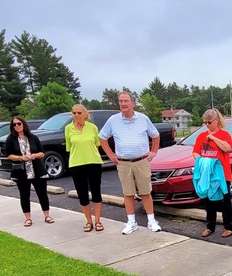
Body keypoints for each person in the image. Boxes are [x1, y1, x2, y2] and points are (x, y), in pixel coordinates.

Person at [99, 91, 161, 234]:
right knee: (128, 193)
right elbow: (102, 137)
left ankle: (151, 221)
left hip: (141, 161)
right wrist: (110, 154)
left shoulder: (143, 119)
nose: (123, 104)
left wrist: (153, 151)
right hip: (123, 162)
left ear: (133, 103)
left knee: (146, 191)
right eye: (121, 101)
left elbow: (155, 135)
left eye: (126, 101)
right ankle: (131, 222)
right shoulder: (113, 120)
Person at [193, 108, 232, 239]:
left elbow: (228, 148)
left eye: (209, 122)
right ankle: (210, 226)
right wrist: (202, 161)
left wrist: (212, 137)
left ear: (217, 121)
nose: (207, 125)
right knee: (208, 201)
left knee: (225, 201)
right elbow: (195, 152)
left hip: (222, 174)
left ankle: (229, 227)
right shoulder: (201, 136)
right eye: (205, 122)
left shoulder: (224, 135)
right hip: (207, 175)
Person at [4, 115, 53, 226]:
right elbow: (8, 155)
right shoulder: (11, 139)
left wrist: (35, 155)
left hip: (37, 169)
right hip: (21, 170)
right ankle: (28, 218)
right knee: (24, 194)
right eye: (14, 124)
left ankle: (47, 215)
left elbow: (42, 153)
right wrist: (21, 158)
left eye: (19, 124)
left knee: (42, 193)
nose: (17, 126)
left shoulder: (32, 137)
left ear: (23, 124)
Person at [65, 104, 104, 231]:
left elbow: (97, 145)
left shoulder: (93, 127)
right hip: (76, 164)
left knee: (96, 192)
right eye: (74, 113)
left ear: (85, 115)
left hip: (93, 163)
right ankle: (88, 221)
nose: (76, 115)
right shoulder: (68, 129)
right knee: (82, 193)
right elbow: (69, 148)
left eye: (79, 113)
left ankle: (98, 220)